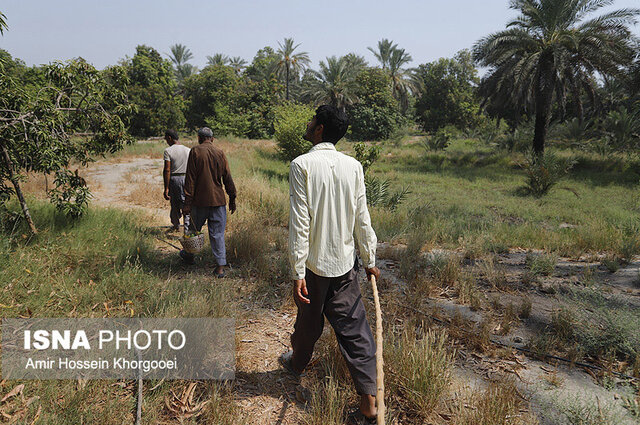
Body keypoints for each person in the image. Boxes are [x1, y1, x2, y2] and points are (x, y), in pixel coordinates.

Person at [281, 105, 381, 424]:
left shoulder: (302, 165)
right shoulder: (353, 166)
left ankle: (297, 365)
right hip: (344, 264)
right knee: (355, 330)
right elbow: (362, 217)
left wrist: (297, 272)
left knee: (309, 325)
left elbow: (300, 224)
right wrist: (369, 258)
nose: (308, 124)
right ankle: (368, 403)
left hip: (314, 267)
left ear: (320, 128)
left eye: (312, 120)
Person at [181, 127, 236, 277]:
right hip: (218, 200)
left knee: (193, 230)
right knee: (217, 234)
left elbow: (190, 179)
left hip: (199, 201)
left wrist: (187, 203)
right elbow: (228, 177)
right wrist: (232, 197)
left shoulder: (195, 151)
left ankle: (190, 255)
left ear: (199, 138)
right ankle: (220, 267)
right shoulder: (220, 152)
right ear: (212, 139)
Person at [163, 130, 191, 231]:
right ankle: (187, 228)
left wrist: (166, 188)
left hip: (174, 179)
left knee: (174, 203)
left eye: (166, 139)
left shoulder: (168, 151)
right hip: (187, 178)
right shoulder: (188, 150)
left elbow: (167, 169)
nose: (166, 141)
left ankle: (176, 225)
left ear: (170, 138)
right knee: (186, 202)